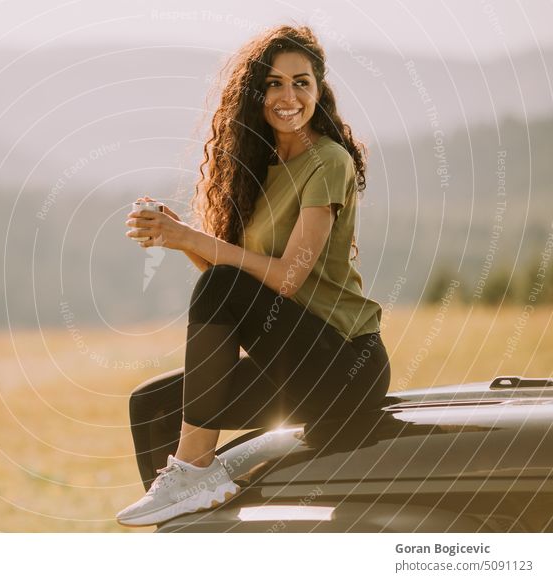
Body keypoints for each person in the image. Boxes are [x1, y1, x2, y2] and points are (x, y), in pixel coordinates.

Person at [116, 24, 391, 527]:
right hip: (292, 355)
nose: (289, 96)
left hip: (343, 365)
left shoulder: (328, 161)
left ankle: (195, 470)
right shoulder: (259, 169)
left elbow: (287, 279)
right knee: (151, 404)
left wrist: (197, 243)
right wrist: (182, 238)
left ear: (319, 90)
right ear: (255, 94)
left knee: (222, 283)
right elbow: (240, 284)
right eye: (273, 83)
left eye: (301, 82)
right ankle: (187, 524)